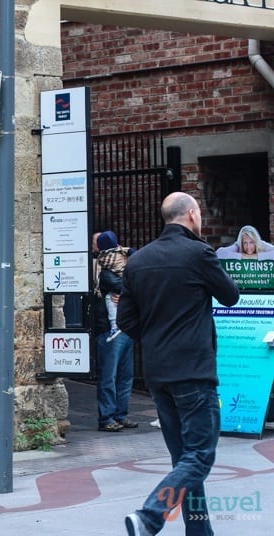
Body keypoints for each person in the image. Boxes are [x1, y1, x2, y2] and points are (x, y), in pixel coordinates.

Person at [117, 192, 239, 536]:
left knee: (185, 460)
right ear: (191, 214)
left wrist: (157, 339)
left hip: (159, 374)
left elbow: (126, 319)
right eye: (199, 213)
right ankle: (150, 516)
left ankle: (199, 533)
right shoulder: (199, 254)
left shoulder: (138, 261)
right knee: (199, 456)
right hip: (193, 373)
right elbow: (231, 296)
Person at [93, 230, 137, 433]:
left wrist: (128, 295)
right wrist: (131, 293)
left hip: (127, 327)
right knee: (109, 376)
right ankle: (107, 417)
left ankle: (121, 414)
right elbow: (120, 284)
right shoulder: (103, 269)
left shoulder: (124, 261)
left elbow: (137, 281)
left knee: (126, 375)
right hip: (108, 330)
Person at [95, 230, 133, 342]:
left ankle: (114, 326)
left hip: (114, 324)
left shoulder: (102, 263)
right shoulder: (122, 252)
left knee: (109, 298)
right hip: (123, 323)